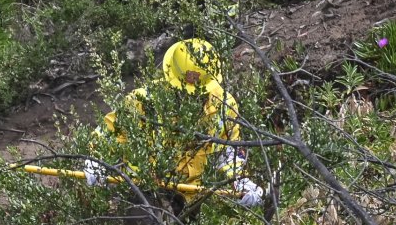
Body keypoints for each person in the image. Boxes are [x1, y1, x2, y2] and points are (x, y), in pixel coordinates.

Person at [83, 38, 264, 214]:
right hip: (145, 191)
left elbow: (230, 151)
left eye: (199, 93)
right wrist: (96, 161)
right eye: (183, 91)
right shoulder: (142, 101)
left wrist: (239, 180)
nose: (191, 97)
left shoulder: (224, 106)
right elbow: (108, 133)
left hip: (195, 195)